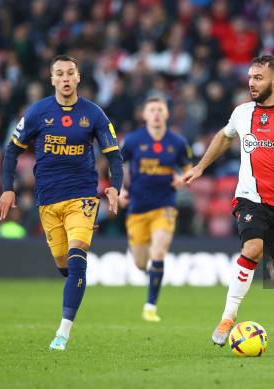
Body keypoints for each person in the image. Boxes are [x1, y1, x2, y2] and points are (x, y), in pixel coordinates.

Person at [182, 55, 274, 346]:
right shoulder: (242, 113)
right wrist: (200, 166)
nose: (251, 82)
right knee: (253, 247)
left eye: (258, 77)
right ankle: (227, 316)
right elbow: (224, 137)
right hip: (249, 199)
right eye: (250, 77)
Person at [0, 55, 123, 351]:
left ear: (78, 78)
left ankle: (62, 332)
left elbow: (114, 155)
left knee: (77, 261)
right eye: (59, 74)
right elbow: (11, 152)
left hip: (83, 198)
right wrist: (7, 189)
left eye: (70, 73)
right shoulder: (38, 112)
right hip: (48, 201)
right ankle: (76, 285)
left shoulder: (94, 114)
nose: (65, 78)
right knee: (65, 267)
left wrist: (114, 187)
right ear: (52, 79)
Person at [119, 96, 192, 322]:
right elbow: (119, 165)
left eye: (160, 110)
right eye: (152, 110)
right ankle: (150, 273)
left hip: (165, 206)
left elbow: (188, 167)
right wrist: (121, 189)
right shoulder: (132, 140)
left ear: (167, 114)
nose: (157, 114)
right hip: (138, 208)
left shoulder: (178, 142)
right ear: (145, 115)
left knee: (158, 253)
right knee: (141, 263)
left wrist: (183, 178)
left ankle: (150, 305)